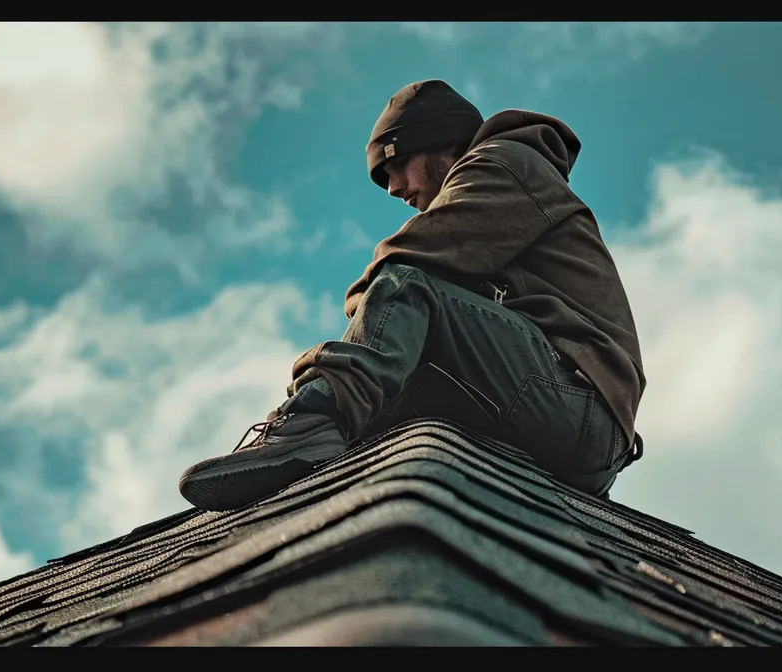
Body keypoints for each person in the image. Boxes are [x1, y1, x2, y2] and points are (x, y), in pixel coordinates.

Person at [177, 80, 646, 512]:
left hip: (580, 409)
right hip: (562, 421)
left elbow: (408, 261)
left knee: (403, 284)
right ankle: (307, 467)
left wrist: (371, 309)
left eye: (396, 165)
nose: (395, 188)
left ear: (440, 142)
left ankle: (313, 420)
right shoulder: (491, 213)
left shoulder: (505, 164)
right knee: (384, 400)